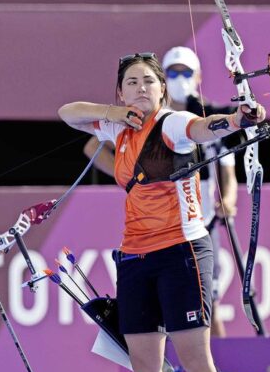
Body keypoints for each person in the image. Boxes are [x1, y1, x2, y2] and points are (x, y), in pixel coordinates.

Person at [59, 52, 266, 372]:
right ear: (120, 92)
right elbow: (67, 112)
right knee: (144, 363)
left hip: (181, 252)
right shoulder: (116, 129)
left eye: (149, 82)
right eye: (132, 83)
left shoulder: (173, 123)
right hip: (136, 256)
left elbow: (205, 127)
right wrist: (113, 113)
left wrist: (238, 119)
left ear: (162, 89)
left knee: (194, 357)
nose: (141, 88)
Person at [83, 46, 237, 338]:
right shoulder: (134, 121)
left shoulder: (189, 117)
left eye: (186, 72)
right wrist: (131, 178)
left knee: (207, 307)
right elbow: (88, 141)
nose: (181, 78)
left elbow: (221, 155)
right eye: (174, 71)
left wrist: (228, 199)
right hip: (147, 240)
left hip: (196, 227)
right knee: (152, 332)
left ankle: (221, 367)